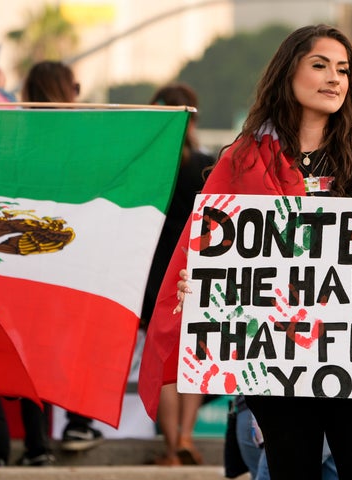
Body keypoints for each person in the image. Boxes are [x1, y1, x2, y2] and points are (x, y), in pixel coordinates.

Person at [144, 24, 352, 480]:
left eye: (343, 69)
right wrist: (199, 281)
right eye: (319, 65)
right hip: (278, 356)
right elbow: (207, 254)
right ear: (287, 73)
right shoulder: (242, 159)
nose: (334, 78)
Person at [18, 60, 105, 458]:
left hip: (26, 256)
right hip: (74, 257)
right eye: (75, 85)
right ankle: (78, 423)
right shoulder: (83, 139)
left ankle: (37, 444)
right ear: (65, 90)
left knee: (31, 351)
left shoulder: (17, 137)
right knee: (75, 343)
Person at [141, 83, 215, 466]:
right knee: (193, 356)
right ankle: (187, 435)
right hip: (197, 272)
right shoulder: (205, 166)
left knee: (164, 355)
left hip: (154, 276)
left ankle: (171, 448)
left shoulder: (146, 167)